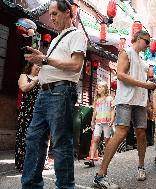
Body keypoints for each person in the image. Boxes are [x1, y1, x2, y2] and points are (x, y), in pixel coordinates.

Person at [21, 0, 87, 188]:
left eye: (55, 14)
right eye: (50, 14)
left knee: (60, 141)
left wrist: (45, 59)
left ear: (67, 12)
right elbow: (51, 63)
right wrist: (40, 59)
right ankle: (31, 185)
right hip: (44, 93)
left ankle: (66, 186)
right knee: (34, 138)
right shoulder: (58, 38)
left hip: (61, 91)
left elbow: (76, 65)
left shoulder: (76, 35)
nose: (51, 18)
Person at [93, 30, 156, 189]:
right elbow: (121, 75)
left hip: (140, 102)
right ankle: (100, 175)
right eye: (147, 41)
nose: (148, 45)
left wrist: (149, 103)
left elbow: (144, 83)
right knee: (121, 132)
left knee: (142, 134)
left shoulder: (142, 61)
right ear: (137, 38)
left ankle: (141, 167)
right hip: (125, 100)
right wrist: (145, 85)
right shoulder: (126, 52)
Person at [15, 62, 40, 173]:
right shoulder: (24, 76)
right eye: (37, 65)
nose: (39, 67)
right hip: (26, 110)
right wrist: (35, 80)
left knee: (36, 138)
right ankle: (21, 164)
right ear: (31, 66)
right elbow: (24, 88)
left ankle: (34, 164)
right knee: (23, 137)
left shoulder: (41, 79)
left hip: (38, 111)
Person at [85, 81, 115, 167]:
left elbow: (113, 109)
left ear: (105, 88)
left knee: (107, 140)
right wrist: (92, 121)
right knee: (95, 139)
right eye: (98, 87)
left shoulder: (110, 98)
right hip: (98, 122)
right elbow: (95, 111)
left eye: (101, 87)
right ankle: (91, 159)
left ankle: (107, 158)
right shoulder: (97, 99)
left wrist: (112, 119)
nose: (98, 89)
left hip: (107, 122)